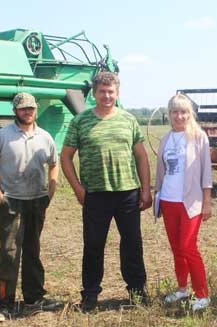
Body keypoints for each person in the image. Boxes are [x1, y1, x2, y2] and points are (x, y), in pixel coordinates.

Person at [60, 72, 152, 311]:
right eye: (102, 91)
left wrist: (145, 189)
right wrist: (78, 189)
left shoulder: (129, 120)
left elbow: (141, 156)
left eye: (111, 91)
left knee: (132, 243)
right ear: (94, 94)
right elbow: (66, 157)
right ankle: (90, 296)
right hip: (95, 195)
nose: (107, 96)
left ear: (117, 93)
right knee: (93, 245)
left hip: (127, 193)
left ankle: (137, 292)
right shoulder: (80, 121)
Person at [0, 92, 61, 323]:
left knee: (32, 250)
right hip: (12, 202)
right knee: (9, 253)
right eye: (23, 108)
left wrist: (51, 191)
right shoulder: (2, 136)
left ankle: (33, 300)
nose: (28, 112)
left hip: (37, 201)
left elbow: (54, 164)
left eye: (31, 108)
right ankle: (4, 304)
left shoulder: (45, 137)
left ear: (36, 110)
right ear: (15, 110)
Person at [154, 94, 212, 311]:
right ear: (169, 114)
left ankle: (202, 294)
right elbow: (162, 172)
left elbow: (206, 172)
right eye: (175, 112)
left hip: (191, 202)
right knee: (176, 248)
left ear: (190, 114)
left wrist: (207, 201)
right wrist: (157, 198)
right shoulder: (166, 138)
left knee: (188, 247)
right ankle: (182, 288)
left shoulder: (198, 137)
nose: (179, 116)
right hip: (168, 201)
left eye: (184, 112)